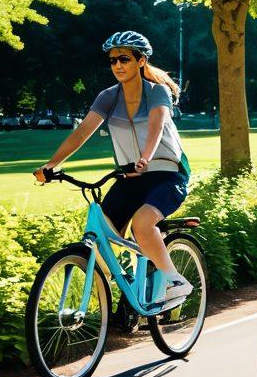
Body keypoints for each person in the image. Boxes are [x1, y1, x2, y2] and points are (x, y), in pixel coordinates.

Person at [34, 31, 194, 308]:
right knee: (97, 241)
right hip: (128, 177)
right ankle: (122, 295)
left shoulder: (157, 92)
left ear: (141, 61)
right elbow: (83, 131)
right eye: (112, 61)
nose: (117, 65)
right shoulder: (108, 97)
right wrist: (51, 165)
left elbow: (156, 125)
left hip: (167, 174)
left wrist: (145, 158)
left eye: (124, 59)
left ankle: (174, 280)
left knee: (142, 225)